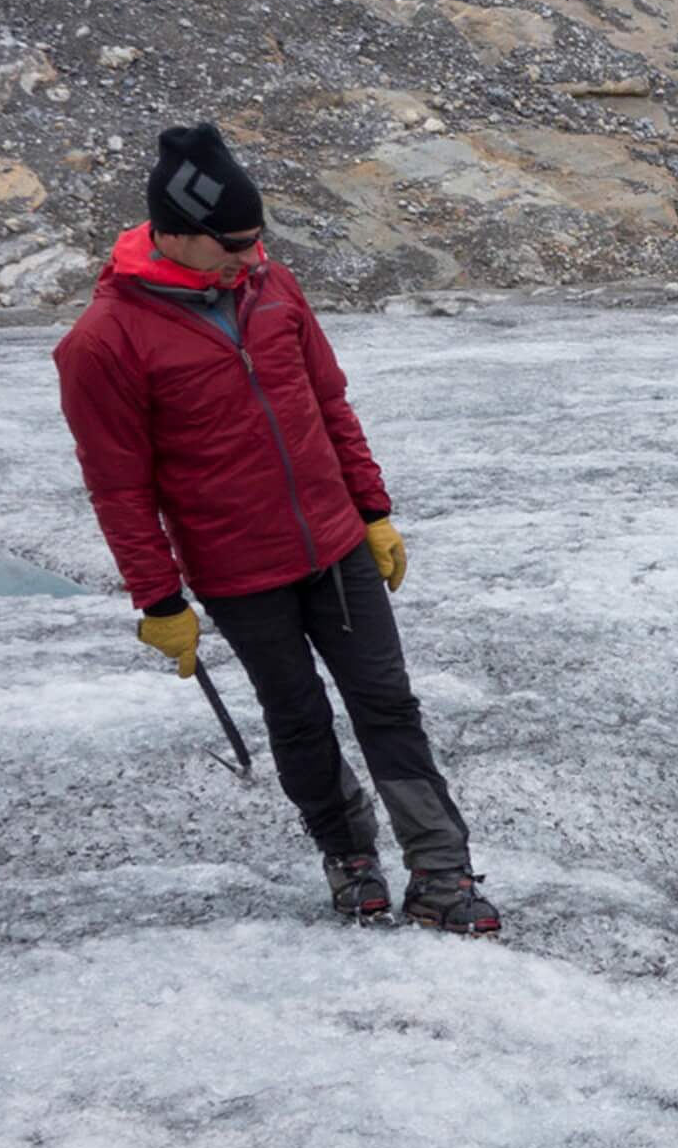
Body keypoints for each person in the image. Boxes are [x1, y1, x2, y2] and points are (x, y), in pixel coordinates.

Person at [52, 124, 499, 935]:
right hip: (238, 571)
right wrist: (160, 600)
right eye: (231, 246)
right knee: (297, 717)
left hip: (334, 547)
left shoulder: (273, 287)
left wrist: (372, 510)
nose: (248, 260)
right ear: (175, 232)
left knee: (388, 705)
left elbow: (330, 404)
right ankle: (348, 855)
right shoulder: (104, 342)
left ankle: (441, 873)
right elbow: (119, 487)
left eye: (257, 243)